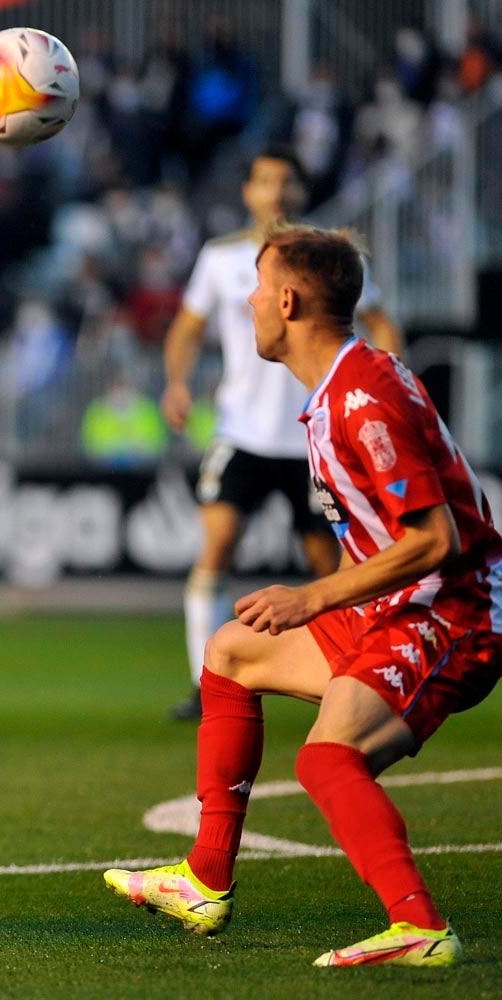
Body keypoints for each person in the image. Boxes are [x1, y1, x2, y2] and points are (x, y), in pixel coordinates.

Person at [105, 223, 502, 967]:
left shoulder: (363, 397)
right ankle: (204, 878)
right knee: (229, 652)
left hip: (451, 616)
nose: (248, 303)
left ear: (286, 301)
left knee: (327, 760)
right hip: (394, 607)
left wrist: (313, 597)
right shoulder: (340, 387)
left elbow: (435, 541)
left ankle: (419, 925)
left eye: (256, 289)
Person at [160, 146, 403, 721]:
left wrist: (387, 387)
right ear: (248, 191)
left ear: (299, 192)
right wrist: (176, 382)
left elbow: (382, 321)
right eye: (265, 181)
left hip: (312, 439)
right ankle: (205, 683)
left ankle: (353, 673)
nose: (276, 193)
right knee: (216, 544)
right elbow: (186, 328)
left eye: (286, 183)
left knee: (331, 565)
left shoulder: (323, 258)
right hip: (239, 432)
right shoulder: (220, 259)